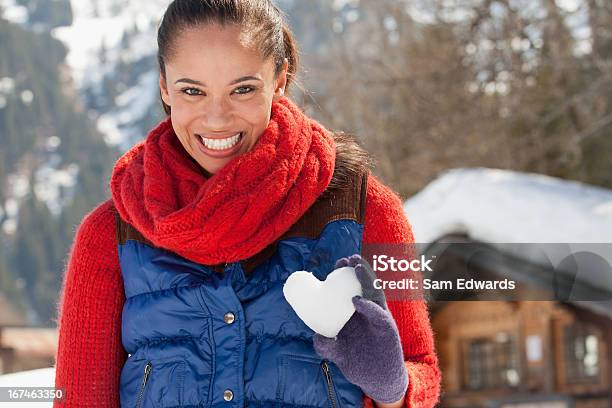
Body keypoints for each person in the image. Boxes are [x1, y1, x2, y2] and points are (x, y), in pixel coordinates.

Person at [53, 1, 441, 407]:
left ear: (279, 79)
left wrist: (395, 388)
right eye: (192, 90)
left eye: (243, 89)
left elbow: (422, 370)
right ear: (165, 87)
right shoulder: (110, 235)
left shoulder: (364, 211)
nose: (217, 118)